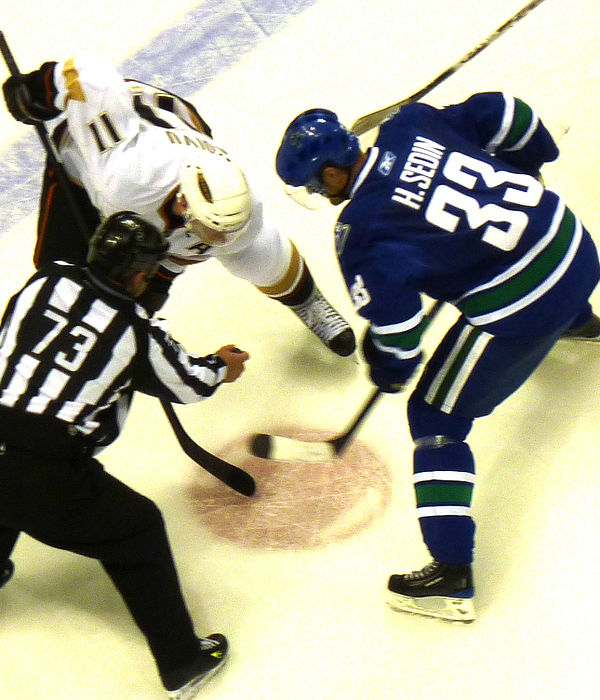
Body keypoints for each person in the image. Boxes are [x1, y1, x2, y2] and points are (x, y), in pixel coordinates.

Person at [274, 95, 600, 621]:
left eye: (316, 183)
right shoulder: (412, 122)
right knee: (522, 269)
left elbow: (402, 338)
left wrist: (386, 365)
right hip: (577, 248)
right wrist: (532, 164)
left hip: (528, 304)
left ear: (333, 173)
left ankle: (451, 574)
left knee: (434, 415)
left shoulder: (362, 234)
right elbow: (505, 112)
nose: (319, 193)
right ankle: (580, 319)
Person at [0, 211, 250, 698]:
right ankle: (183, 662)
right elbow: (190, 383)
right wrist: (221, 364)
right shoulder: (135, 334)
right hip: (48, 470)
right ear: (137, 276)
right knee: (138, 529)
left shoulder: (42, 282)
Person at [2, 55, 355, 356]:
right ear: (185, 201)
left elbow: (185, 246)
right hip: (91, 158)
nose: (215, 239)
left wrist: (156, 282)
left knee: (258, 250)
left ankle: (307, 302)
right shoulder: (124, 178)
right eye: (210, 230)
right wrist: (41, 89)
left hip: (177, 125)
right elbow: (93, 77)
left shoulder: (237, 212)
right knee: (62, 270)